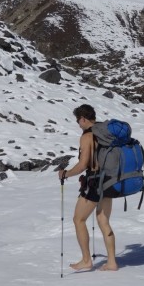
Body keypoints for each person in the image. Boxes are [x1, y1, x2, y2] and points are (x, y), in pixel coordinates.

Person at [58, 104, 118, 271]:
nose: (78, 124)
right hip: (110, 179)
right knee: (104, 221)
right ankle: (112, 262)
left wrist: (66, 174)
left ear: (83, 119)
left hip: (94, 182)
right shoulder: (105, 132)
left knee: (78, 219)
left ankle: (86, 260)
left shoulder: (87, 136)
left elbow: (83, 164)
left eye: (78, 121)